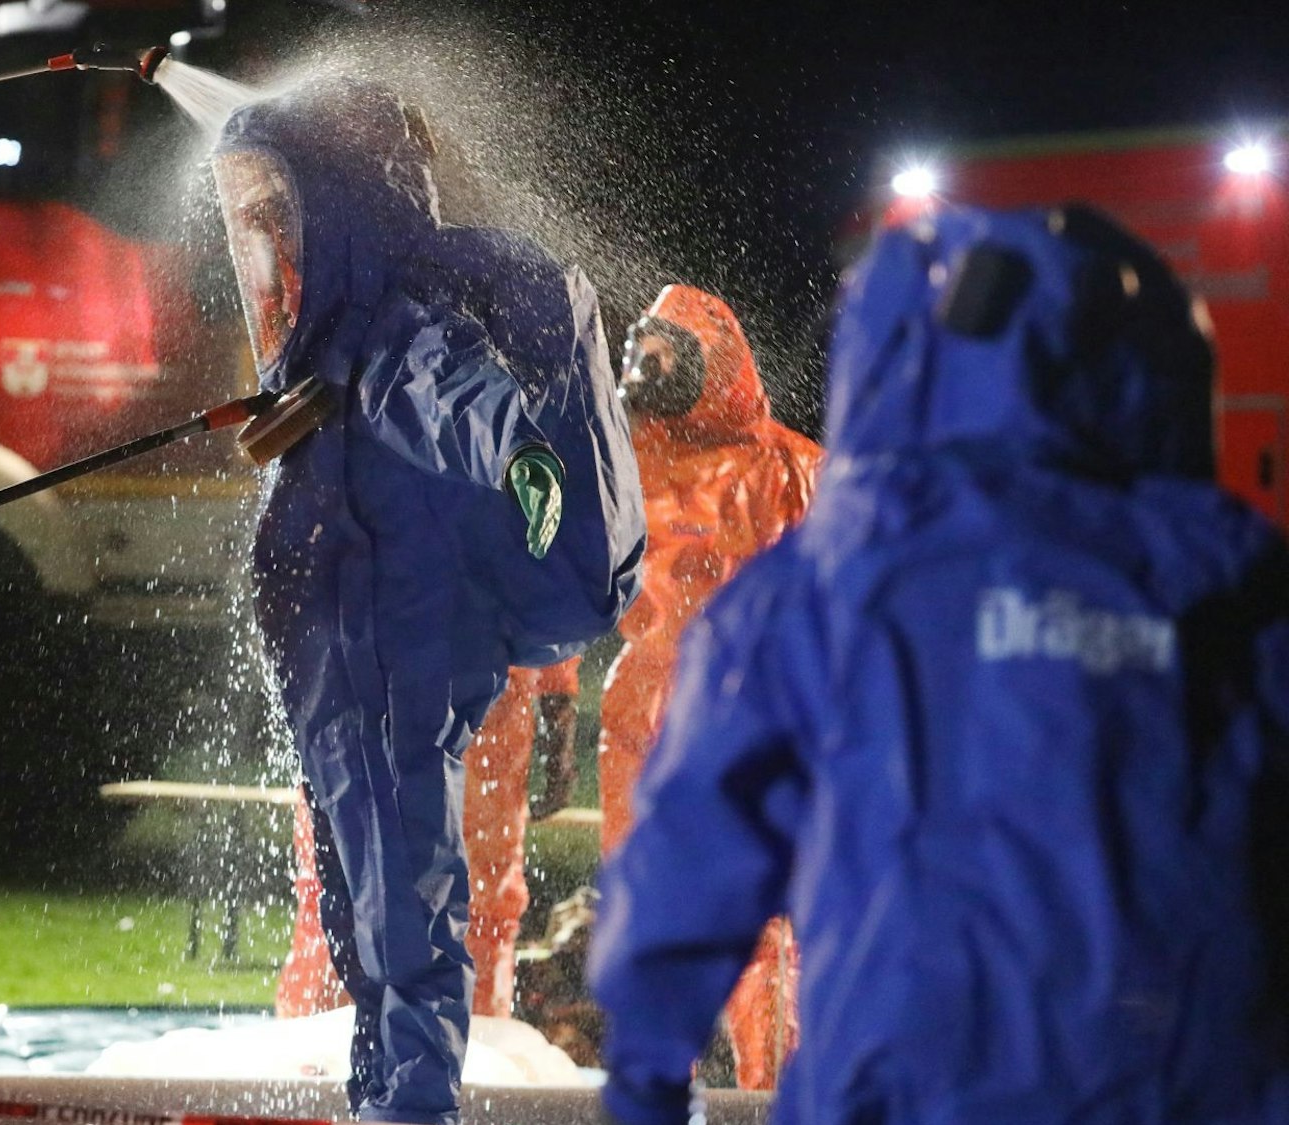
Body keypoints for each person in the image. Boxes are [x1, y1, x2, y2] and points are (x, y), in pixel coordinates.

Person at [590, 204, 1289, 1125]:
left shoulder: (817, 587)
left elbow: (687, 862)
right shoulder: (1239, 583)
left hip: (895, 1090)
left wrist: (644, 1085)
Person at [216, 80, 644, 1124]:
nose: (262, 237)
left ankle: (410, 1108)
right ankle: (386, 1098)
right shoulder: (330, 345)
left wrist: (522, 457)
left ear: (336, 202)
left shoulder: (389, 333)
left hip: (389, 667)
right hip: (348, 670)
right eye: (249, 214)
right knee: (367, 919)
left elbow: (458, 394)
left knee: (402, 919)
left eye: (278, 208)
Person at [595, 283, 822, 1089]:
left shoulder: (786, 465)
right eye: (644, 348)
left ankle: (769, 1092)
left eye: (666, 352)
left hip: (743, 716)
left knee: (758, 925)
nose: (648, 366)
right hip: (648, 713)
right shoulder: (623, 453)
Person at [276, 657, 582, 1021]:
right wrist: (557, 719)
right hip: (480, 699)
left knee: (346, 886)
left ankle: (320, 1039)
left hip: (365, 687)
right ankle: (473, 1040)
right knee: (477, 902)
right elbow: (554, 609)